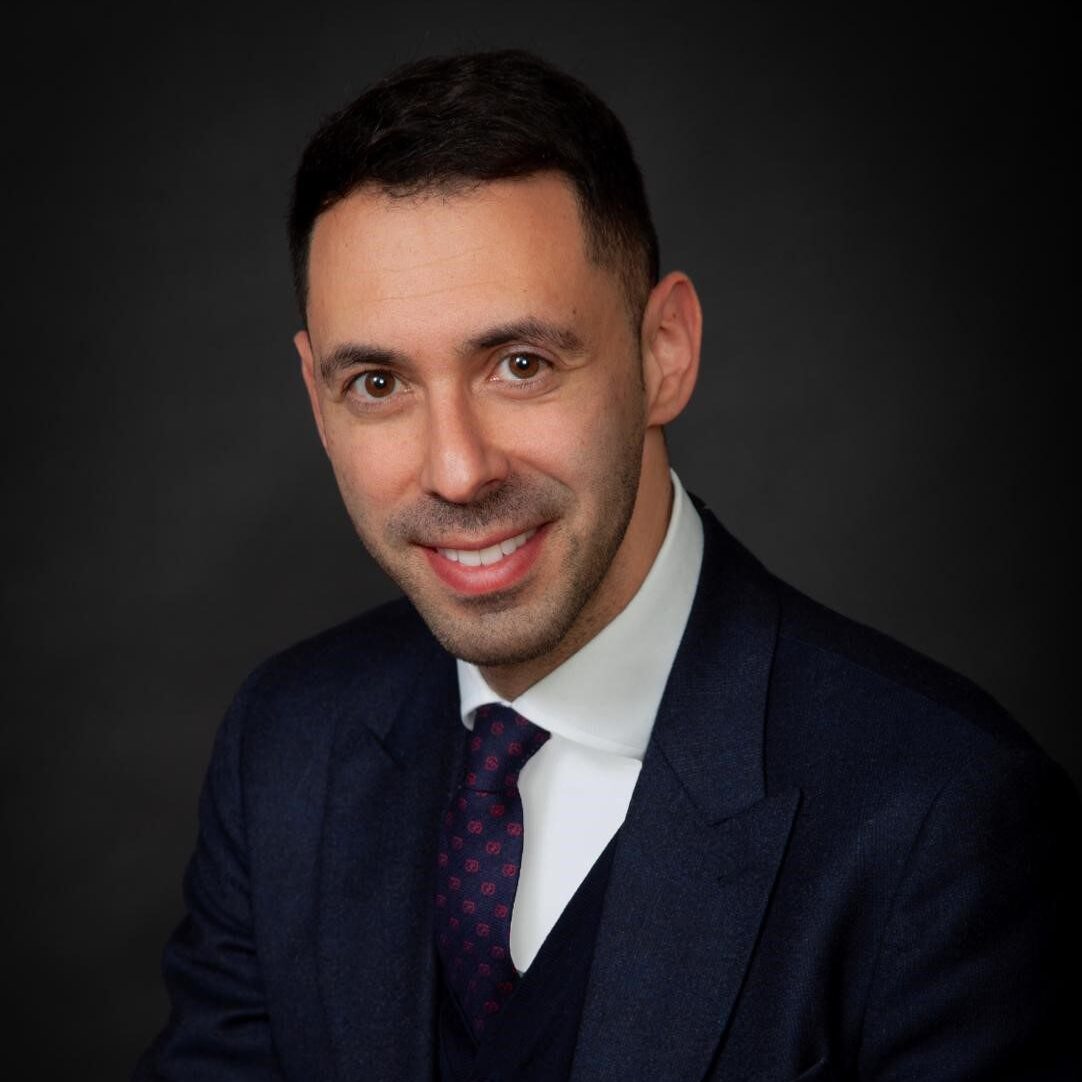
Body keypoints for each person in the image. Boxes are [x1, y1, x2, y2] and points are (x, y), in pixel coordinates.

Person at [136, 50, 1080, 1081]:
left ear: (662, 350)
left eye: (521, 364)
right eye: (376, 381)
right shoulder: (285, 746)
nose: (455, 469)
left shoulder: (939, 818)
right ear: (317, 401)